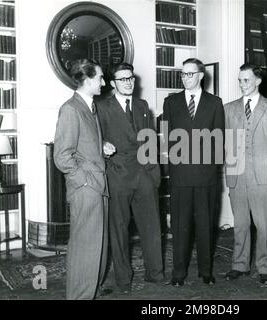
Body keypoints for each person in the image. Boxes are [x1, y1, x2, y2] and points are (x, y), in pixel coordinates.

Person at [97, 62, 164, 293]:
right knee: (119, 229)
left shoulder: (143, 105)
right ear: (113, 83)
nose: (128, 82)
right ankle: (123, 280)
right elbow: (93, 136)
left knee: (152, 226)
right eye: (123, 79)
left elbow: (150, 139)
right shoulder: (101, 107)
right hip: (118, 174)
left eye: (131, 78)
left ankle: (155, 274)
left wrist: (154, 172)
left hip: (144, 173)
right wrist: (102, 144)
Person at [53, 58, 115, 299]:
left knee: (98, 244)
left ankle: (92, 290)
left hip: (99, 185)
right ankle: (80, 296)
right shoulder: (70, 109)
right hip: (87, 187)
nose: (104, 81)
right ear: (88, 79)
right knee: (85, 247)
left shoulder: (89, 106)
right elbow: (62, 156)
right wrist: (86, 181)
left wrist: (102, 144)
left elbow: (84, 142)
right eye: (100, 77)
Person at [163, 58, 225, 286]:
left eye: (190, 74)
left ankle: (206, 271)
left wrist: (212, 170)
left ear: (201, 75)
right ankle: (178, 273)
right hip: (180, 176)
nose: (186, 78)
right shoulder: (171, 102)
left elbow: (218, 141)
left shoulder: (215, 103)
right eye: (183, 74)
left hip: (206, 176)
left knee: (206, 225)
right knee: (180, 226)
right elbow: (165, 139)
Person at [224, 63, 267, 285]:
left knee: (264, 224)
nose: (242, 84)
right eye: (239, 80)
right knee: (240, 224)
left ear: (258, 81)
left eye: (246, 80)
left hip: (263, 174)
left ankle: (265, 267)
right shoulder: (228, 109)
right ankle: (239, 264)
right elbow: (224, 142)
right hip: (236, 173)